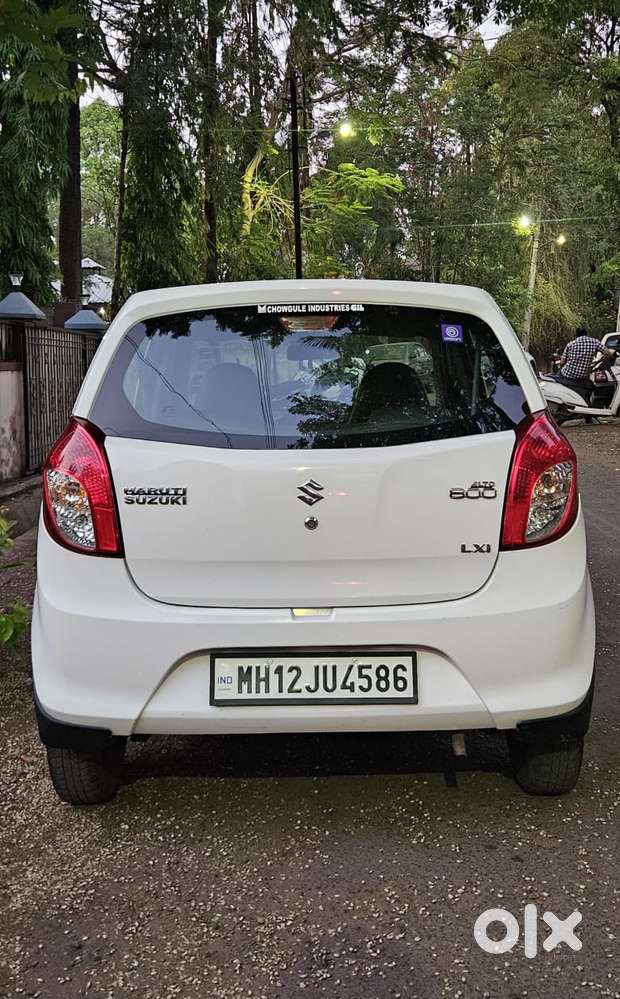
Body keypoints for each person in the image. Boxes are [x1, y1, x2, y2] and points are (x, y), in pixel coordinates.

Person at [555, 328, 614, 399]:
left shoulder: (570, 344)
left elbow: (562, 362)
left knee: (557, 377)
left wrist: (562, 365)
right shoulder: (594, 342)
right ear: (586, 334)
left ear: (576, 335)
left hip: (567, 374)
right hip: (583, 376)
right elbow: (608, 353)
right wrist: (599, 360)